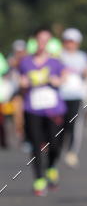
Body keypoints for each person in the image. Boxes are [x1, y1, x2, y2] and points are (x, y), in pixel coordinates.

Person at [18, 27, 67, 196]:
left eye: (46, 40)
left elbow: (63, 80)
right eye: (39, 40)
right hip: (32, 108)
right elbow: (21, 82)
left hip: (54, 109)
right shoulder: (25, 62)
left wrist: (57, 80)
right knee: (36, 144)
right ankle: (39, 179)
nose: (42, 44)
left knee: (55, 144)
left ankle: (51, 167)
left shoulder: (56, 62)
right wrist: (23, 84)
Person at [59, 28, 87, 167]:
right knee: (60, 123)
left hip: (76, 95)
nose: (70, 44)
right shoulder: (59, 56)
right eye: (68, 41)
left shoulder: (82, 56)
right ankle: (58, 148)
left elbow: (86, 74)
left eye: (73, 41)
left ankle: (72, 152)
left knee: (73, 124)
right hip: (60, 94)